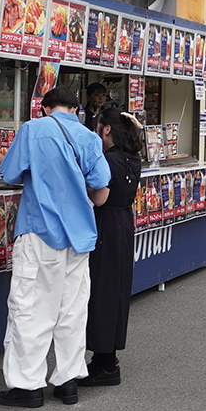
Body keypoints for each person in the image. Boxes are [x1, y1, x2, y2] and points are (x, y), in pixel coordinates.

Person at [0, 87, 111, 408]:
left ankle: (27, 385)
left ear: (44, 108)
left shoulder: (32, 129)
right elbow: (101, 183)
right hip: (80, 237)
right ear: (75, 109)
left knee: (31, 308)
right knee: (72, 310)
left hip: (40, 231)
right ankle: (68, 380)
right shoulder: (89, 137)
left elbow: (9, 173)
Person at [81, 108, 143, 388]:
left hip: (104, 224)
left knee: (101, 290)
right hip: (124, 223)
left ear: (106, 130)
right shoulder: (133, 158)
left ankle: (104, 361)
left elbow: (100, 198)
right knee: (117, 289)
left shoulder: (106, 160)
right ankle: (107, 358)